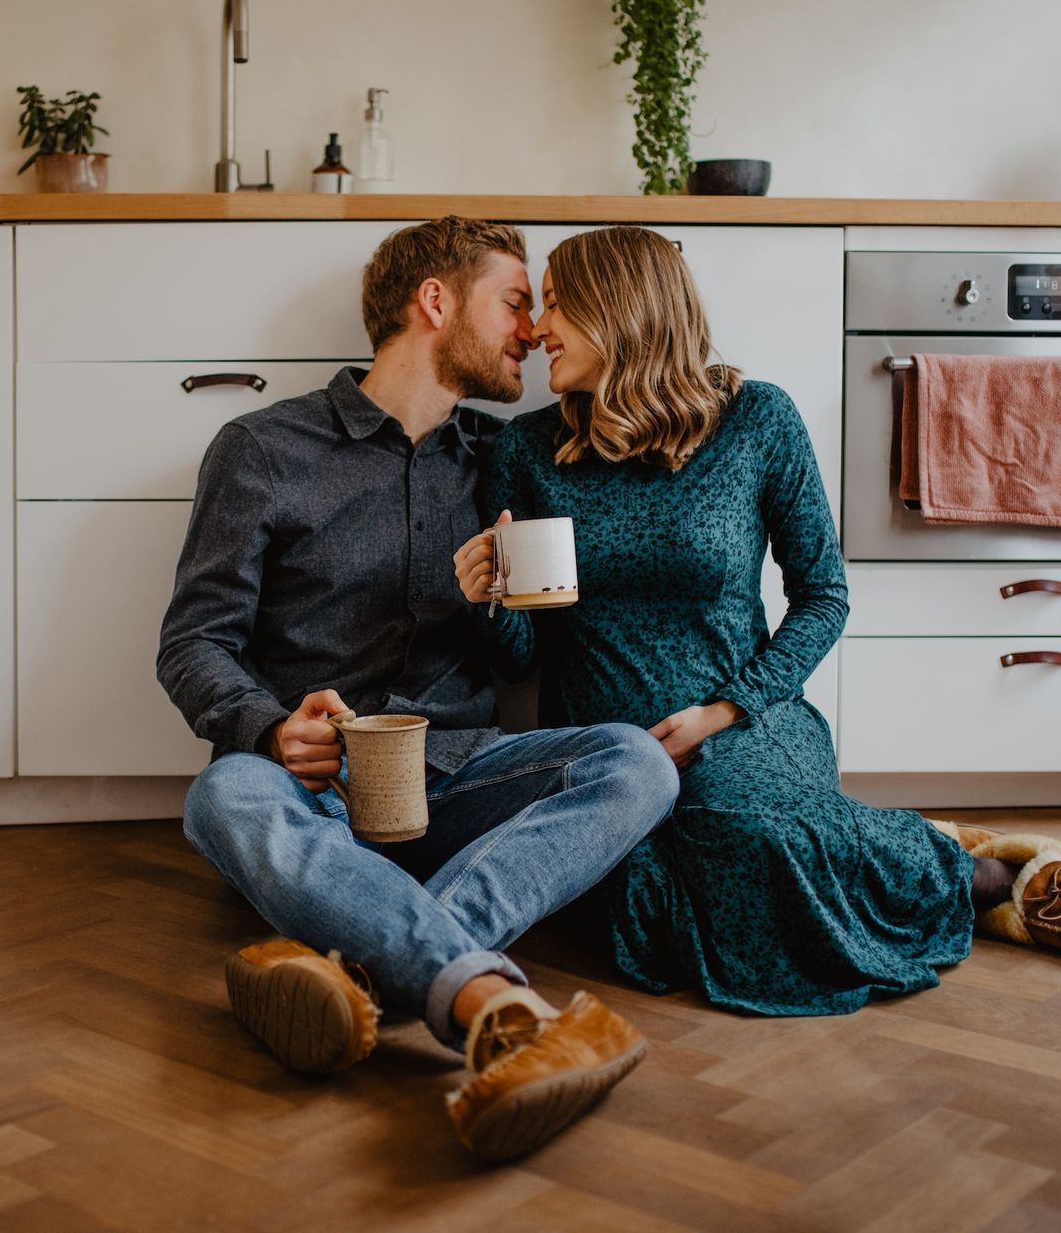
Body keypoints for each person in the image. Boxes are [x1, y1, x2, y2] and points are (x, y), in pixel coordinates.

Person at [455, 225, 1061, 1018]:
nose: (539, 329)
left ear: (621, 308)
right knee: (655, 895)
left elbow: (824, 595)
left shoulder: (758, 420)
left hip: (746, 714)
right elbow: (518, 659)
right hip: (609, 741)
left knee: (751, 834)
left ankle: (989, 878)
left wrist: (724, 710)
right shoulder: (525, 452)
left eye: (557, 306)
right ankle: (912, 847)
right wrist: (488, 600)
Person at [157, 216, 680, 1162]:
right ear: (435, 303)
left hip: (459, 778)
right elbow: (193, 643)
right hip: (310, 787)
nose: (531, 330)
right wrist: (271, 729)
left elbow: (523, 653)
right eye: (516, 302)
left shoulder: (501, 459)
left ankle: (367, 970)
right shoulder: (261, 449)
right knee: (221, 792)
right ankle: (487, 1001)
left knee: (636, 762)